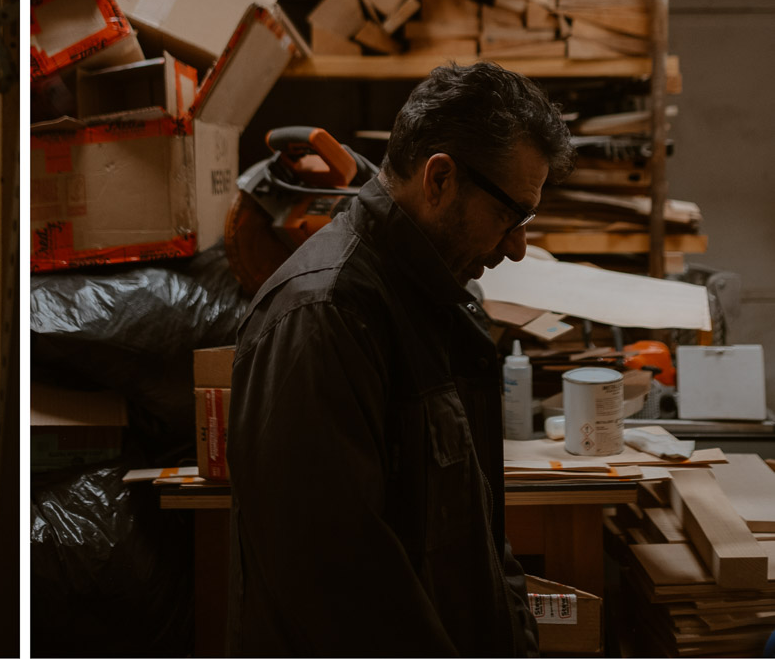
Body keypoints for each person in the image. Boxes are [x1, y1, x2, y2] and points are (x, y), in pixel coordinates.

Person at [226, 62, 575, 657]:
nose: (517, 247)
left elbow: (479, 531)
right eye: (509, 216)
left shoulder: (432, 303)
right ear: (439, 179)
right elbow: (340, 593)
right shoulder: (326, 315)